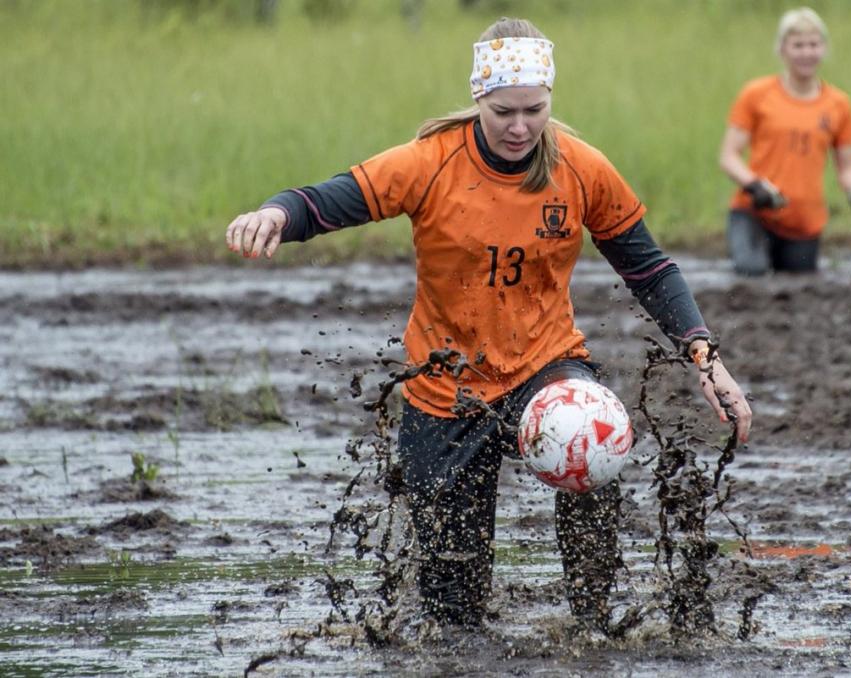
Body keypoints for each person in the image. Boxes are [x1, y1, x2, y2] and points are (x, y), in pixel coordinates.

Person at [225, 17, 752, 631]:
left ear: (551, 99)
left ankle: (593, 625)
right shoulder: (429, 162)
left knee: (595, 435)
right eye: (504, 111)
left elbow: (652, 271)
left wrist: (707, 360)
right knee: (453, 610)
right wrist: (274, 214)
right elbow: (328, 200)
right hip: (445, 384)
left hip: (544, 367)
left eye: (535, 109)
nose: (521, 126)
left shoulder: (581, 168)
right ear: (479, 99)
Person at [718, 7, 851, 275]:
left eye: (813, 45)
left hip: (804, 222)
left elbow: (847, 168)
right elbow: (729, 156)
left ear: (824, 49)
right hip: (755, 213)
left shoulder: (838, 104)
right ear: (782, 49)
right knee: (751, 272)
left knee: (800, 284)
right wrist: (755, 186)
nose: (806, 53)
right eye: (798, 45)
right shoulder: (756, 95)